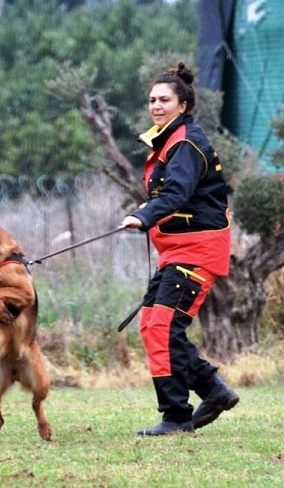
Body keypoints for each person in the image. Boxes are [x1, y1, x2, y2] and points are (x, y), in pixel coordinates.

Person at [119, 62, 239, 436]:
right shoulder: (169, 140)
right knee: (152, 325)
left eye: (164, 100)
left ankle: (176, 416)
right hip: (176, 250)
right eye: (152, 100)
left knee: (163, 326)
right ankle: (211, 391)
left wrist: (143, 215)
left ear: (182, 105)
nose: (156, 105)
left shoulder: (185, 142)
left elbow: (176, 193)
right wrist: (149, 219)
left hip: (197, 250)